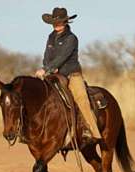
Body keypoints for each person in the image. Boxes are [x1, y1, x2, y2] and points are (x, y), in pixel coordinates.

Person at [35, 7, 102, 142]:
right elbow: (47, 56)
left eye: (60, 21)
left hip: (72, 75)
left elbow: (63, 57)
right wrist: (46, 68)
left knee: (81, 99)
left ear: (66, 22)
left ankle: (92, 131)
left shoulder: (71, 38)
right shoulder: (51, 37)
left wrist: (50, 68)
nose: (57, 24)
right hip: (53, 74)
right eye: (55, 22)